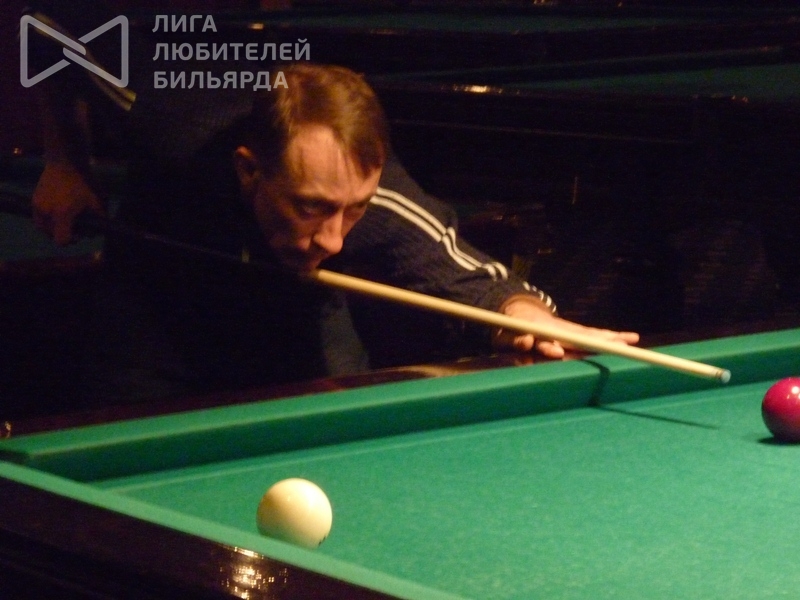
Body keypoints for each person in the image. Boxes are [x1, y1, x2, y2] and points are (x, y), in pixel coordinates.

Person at [26, 6, 638, 402]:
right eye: (310, 208)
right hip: (156, 317)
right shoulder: (166, 117)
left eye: (354, 209)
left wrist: (526, 314)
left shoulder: (379, 201)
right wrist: (64, 162)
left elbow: (469, 274)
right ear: (249, 169)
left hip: (299, 327)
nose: (335, 238)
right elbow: (49, 28)